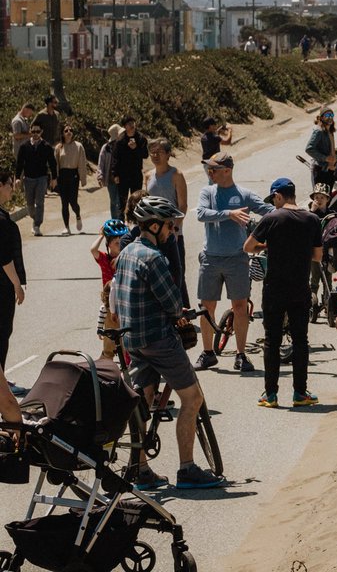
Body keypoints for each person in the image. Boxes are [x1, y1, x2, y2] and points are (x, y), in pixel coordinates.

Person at [110, 195, 224, 490]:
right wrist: (182, 313)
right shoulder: (154, 258)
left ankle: (141, 469)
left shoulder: (126, 252)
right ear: (155, 225)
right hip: (157, 339)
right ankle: (187, 469)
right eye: (170, 226)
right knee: (192, 398)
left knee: (142, 402)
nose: (173, 232)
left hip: (132, 339)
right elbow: (173, 304)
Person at [245, 178, 322, 409]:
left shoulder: (271, 219)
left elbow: (248, 247)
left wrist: (269, 247)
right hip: (300, 288)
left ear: (279, 196)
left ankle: (270, 395)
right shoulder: (312, 219)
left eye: (273, 199)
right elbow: (317, 256)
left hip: (274, 289)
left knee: (272, 341)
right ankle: (300, 393)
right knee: (301, 340)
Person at [193, 152, 272, 373]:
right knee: (207, 307)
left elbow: (268, 211)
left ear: (227, 170)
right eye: (209, 169)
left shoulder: (244, 194)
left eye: (214, 169)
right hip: (210, 258)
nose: (210, 173)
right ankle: (208, 353)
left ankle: (241, 355)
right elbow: (200, 214)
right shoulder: (207, 192)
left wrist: (287, 215)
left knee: (240, 307)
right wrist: (229, 213)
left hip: (237, 259)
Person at [144, 138, 189, 300]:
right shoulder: (148, 176)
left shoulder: (176, 175)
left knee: (177, 274)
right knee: (156, 275)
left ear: (168, 154)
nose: (155, 155)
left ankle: (183, 312)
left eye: (160, 152)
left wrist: (175, 228)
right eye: (152, 152)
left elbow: (183, 206)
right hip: (153, 234)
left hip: (173, 234)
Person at [0, 170, 26, 386]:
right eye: (9, 184)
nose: (12, 188)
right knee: (2, 331)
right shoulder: (0, 219)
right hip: (2, 286)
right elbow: (4, 258)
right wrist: (17, 285)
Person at [91, 219, 129, 361]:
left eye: (122, 242)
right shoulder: (105, 260)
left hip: (125, 304)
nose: (120, 246)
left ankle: (129, 369)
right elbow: (93, 250)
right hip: (110, 306)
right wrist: (101, 235)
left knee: (127, 343)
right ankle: (102, 370)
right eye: (116, 243)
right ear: (109, 245)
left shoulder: (127, 258)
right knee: (109, 346)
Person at [15, 125, 56, 237]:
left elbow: (52, 163)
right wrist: (17, 177)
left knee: (40, 202)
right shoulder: (24, 146)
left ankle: (37, 225)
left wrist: (54, 178)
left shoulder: (46, 146)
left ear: (41, 132)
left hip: (42, 178)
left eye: (37, 131)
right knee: (29, 203)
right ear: (30, 132)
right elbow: (19, 163)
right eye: (33, 131)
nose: (35, 133)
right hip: (28, 178)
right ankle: (34, 218)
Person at [52, 123, 87, 235]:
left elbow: (82, 163)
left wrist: (83, 179)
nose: (68, 132)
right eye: (66, 130)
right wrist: (54, 179)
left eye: (70, 130)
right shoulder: (58, 147)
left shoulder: (78, 146)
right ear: (62, 133)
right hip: (62, 176)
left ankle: (78, 215)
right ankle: (66, 227)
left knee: (73, 201)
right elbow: (55, 164)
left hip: (73, 176)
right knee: (64, 203)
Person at [112, 116, 149, 217]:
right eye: (129, 124)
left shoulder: (141, 138)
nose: (132, 125)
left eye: (133, 122)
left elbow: (145, 154)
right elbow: (115, 158)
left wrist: (136, 148)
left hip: (136, 173)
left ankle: (137, 222)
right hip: (123, 175)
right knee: (122, 202)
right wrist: (115, 174)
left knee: (137, 200)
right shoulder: (120, 140)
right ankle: (121, 224)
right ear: (125, 127)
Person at [96, 124, 123, 220]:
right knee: (113, 201)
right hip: (111, 179)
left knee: (120, 201)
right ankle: (114, 221)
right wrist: (100, 176)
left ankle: (120, 221)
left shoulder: (123, 145)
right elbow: (101, 162)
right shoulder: (106, 147)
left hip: (122, 178)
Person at [305, 109, 337, 188]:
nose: (330, 117)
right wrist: (325, 158)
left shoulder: (330, 131)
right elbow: (309, 148)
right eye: (327, 115)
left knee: (328, 197)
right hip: (321, 170)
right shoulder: (319, 131)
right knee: (320, 197)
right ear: (321, 118)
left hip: (330, 169)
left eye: (331, 115)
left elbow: (329, 148)